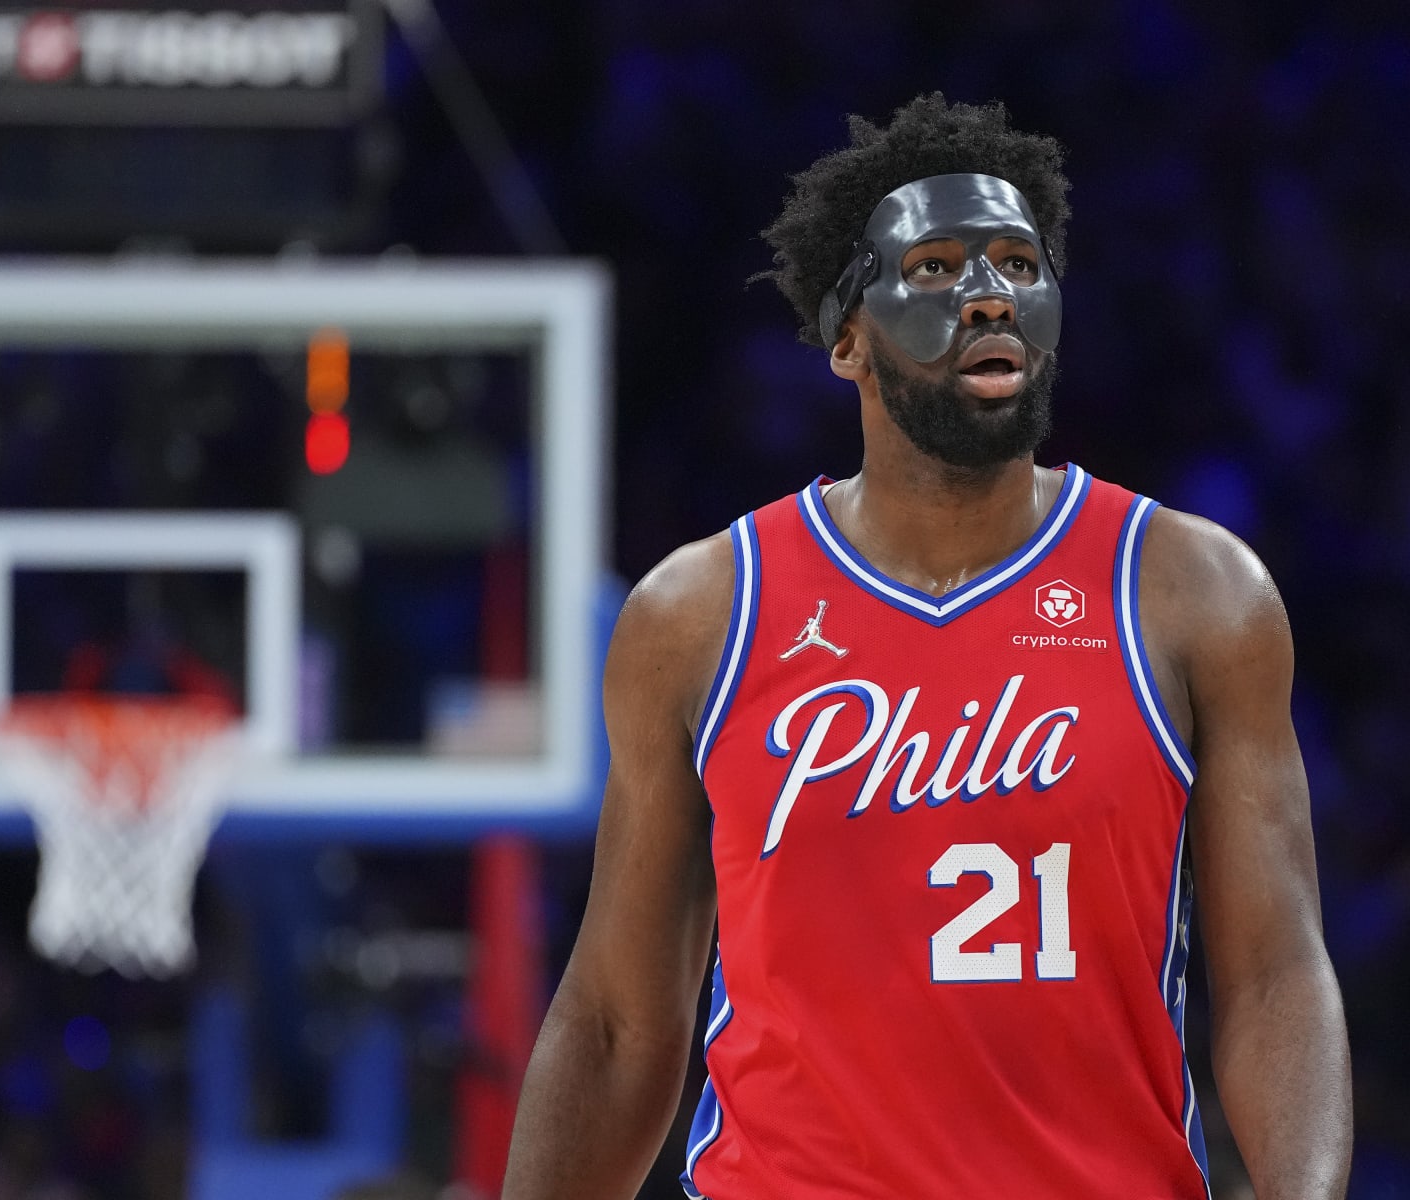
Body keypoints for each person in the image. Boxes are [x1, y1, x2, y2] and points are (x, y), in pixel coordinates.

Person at [502, 94, 1351, 1199]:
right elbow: (618, 1023)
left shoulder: (1192, 591)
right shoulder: (704, 613)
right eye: (939, 269)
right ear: (847, 337)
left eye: (1016, 264)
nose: (990, 294)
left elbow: (1276, 978)